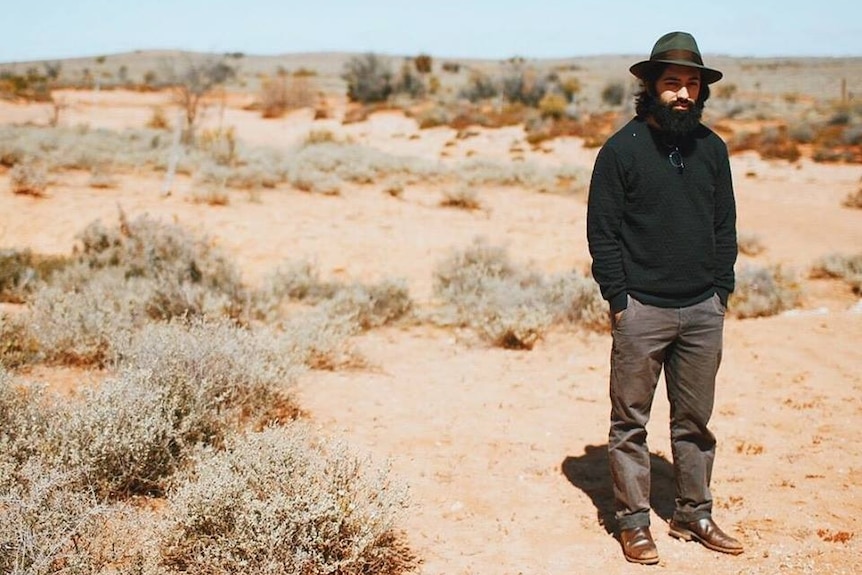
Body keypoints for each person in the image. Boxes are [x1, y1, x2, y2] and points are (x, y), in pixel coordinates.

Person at [586, 31, 742, 565]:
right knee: (630, 422)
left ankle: (693, 512)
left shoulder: (712, 149)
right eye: (672, 82)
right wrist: (620, 299)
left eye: (691, 84)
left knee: (695, 423)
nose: (682, 93)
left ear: (702, 92)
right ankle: (632, 522)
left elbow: (725, 225)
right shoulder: (620, 151)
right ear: (650, 87)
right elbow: (602, 234)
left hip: (703, 309)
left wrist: (721, 290)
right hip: (642, 310)